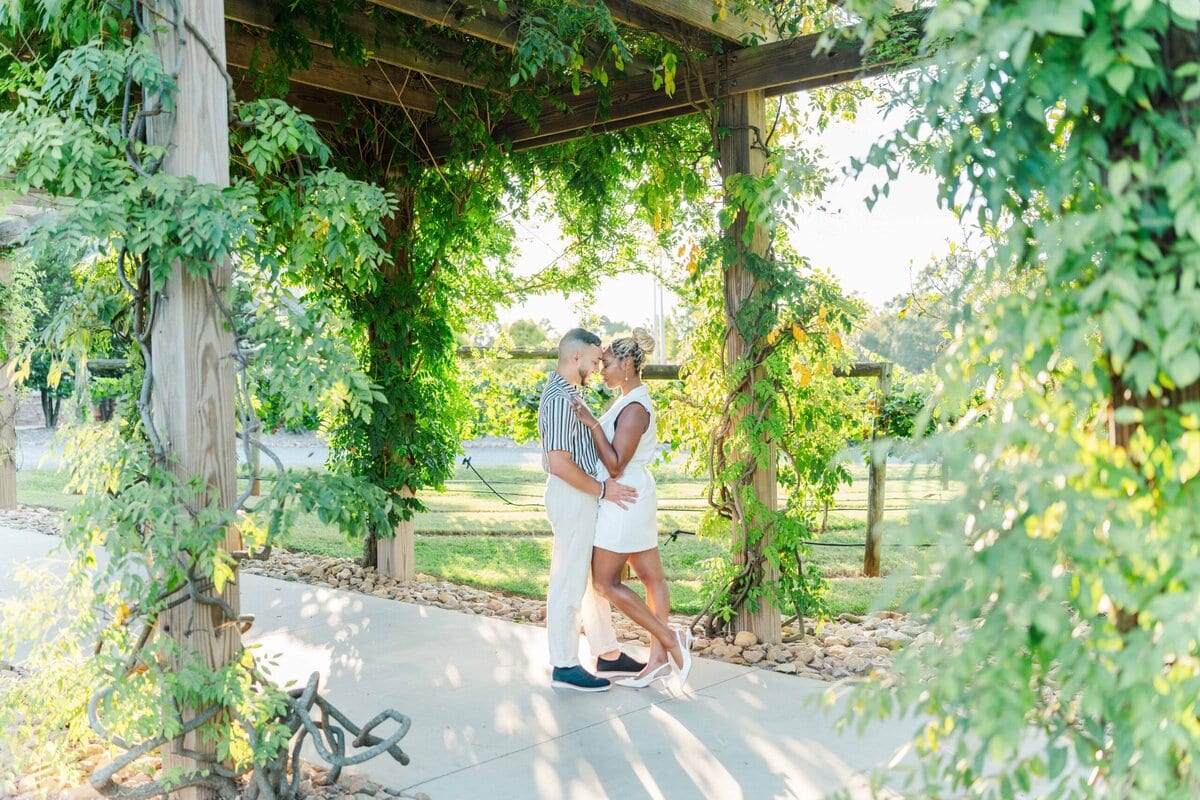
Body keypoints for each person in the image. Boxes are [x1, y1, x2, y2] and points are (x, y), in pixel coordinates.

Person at [569, 328, 693, 691]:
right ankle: (656, 661)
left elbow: (615, 464)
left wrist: (591, 423)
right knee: (652, 577)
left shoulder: (636, 408)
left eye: (606, 364)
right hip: (633, 497)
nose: (601, 370)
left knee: (605, 582)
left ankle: (668, 640)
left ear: (626, 364)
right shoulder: (628, 399)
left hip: (622, 499)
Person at [538, 328, 645, 692]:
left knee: (585, 580)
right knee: (568, 580)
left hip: (583, 496)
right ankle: (565, 665)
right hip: (572, 496)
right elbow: (559, 463)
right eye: (595, 359)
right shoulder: (558, 399)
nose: (600, 366)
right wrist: (602, 489)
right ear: (575, 358)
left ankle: (607, 654)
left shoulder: (572, 395)